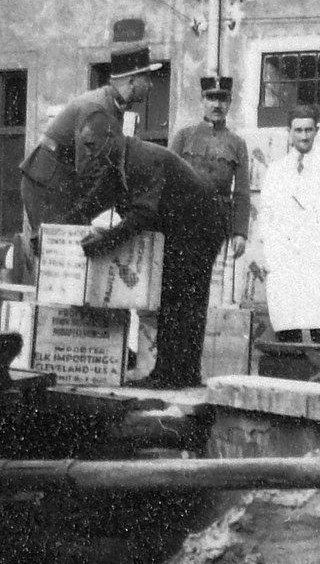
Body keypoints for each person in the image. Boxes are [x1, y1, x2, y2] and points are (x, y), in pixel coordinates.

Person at [76, 137, 229, 388]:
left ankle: (172, 375)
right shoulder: (115, 163)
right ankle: (179, 374)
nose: (91, 153)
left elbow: (144, 213)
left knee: (181, 298)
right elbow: (90, 205)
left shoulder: (143, 158)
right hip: (180, 227)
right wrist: (53, 231)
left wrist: (107, 240)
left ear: (110, 139)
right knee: (174, 296)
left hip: (202, 223)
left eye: (93, 146)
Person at [17, 45, 162, 278]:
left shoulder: (111, 106)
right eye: (147, 78)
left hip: (56, 183)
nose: (151, 85)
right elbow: (90, 172)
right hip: (47, 187)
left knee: (66, 251)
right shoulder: (98, 110)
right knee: (60, 258)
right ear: (132, 81)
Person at [252, 106, 320, 343]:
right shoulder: (277, 170)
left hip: (316, 256)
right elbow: (266, 212)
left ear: (317, 131)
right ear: (289, 132)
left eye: (309, 130)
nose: (304, 136)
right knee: (287, 323)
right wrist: (270, 246)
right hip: (284, 256)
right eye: (298, 130)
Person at [170, 76, 251, 263]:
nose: (217, 105)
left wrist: (240, 233)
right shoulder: (184, 136)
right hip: (184, 219)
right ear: (202, 100)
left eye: (223, 99)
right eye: (211, 98)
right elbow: (168, 180)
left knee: (209, 283)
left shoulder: (237, 144)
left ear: (230, 103)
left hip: (217, 223)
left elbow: (241, 192)